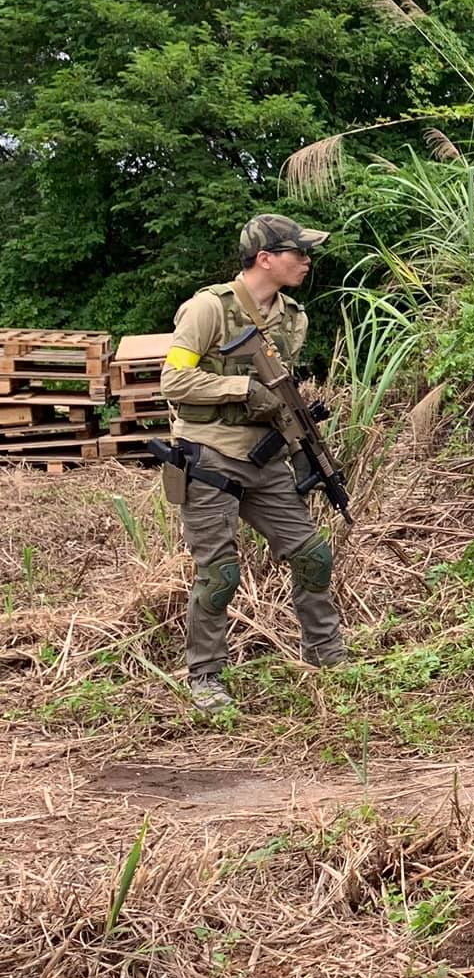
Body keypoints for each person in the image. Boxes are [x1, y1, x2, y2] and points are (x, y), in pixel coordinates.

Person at [160, 214, 348, 713]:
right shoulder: (208, 309)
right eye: (297, 252)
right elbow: (173, 381)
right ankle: (205, 677)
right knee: (220, 572)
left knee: (313, 555)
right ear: (265, 258)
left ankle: (327, 657)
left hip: (264, 458)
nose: (306, 260)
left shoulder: (293, 318)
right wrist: (240, 388)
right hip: (210, 456)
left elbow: (280, 391)